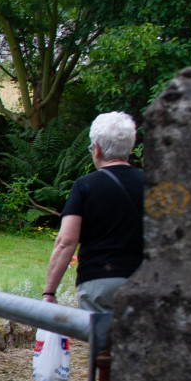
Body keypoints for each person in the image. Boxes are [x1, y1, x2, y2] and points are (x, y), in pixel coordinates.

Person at [41, 112, 144, 313]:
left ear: (96, 148)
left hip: (99, 283)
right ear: (130, 148)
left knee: (104, 343)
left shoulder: (85, 186)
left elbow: (66, 242)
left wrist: (49, 292)